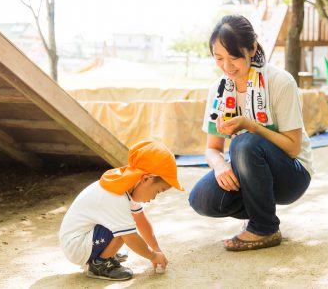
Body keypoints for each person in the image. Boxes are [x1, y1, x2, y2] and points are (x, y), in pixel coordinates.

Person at [188, 14, 313, 252]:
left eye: (234, 57)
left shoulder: (279, 81)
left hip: (291, 173)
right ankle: (260, 212)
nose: (227, 66)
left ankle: (264, 227)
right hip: (249, 170)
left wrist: (252, 126)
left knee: (244, 144)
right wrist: (220, 166)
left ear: (252, 47)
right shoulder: (219, 89)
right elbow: (212, 149)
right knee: (201, 199)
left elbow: (293, 148)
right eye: (219, 58)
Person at [59, 140, 184, 281]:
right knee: (124, 229)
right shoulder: (116, 197)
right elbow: (130, 237)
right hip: (77, 247)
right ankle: (100, 264)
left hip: (84, 238)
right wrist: (153, 256)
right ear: (147, 179)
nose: (153, 198)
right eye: (158, 191)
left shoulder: (126, 184)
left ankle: (104, 252)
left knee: (126, 224)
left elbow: (142, 221)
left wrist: (156, 249)